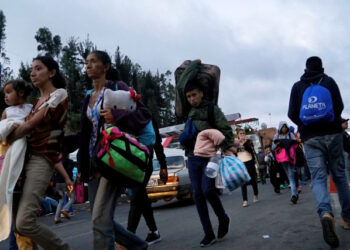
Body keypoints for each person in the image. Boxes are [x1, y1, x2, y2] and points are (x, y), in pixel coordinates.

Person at [69, 50, 150, 249]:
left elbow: (144, 115)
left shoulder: (117, 88)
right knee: (98, 217)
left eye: (94, 61)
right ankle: (137, 245)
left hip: (113, 158)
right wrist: (80, 166)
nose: (88, 65)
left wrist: (116, 115)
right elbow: (85, 134)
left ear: (105, 66)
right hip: (94, 161)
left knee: (100, 218)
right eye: (86, 62)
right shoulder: (88, 96)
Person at [7, 56, 70, 249]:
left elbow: (30, 125)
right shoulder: (34, 103)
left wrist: (7, 136)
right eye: (31, 69)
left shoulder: (59, 94)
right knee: (19, 225)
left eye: (39, 68)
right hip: (24, 160)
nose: (33, 73)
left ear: (52, 72)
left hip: (42, 159)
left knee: (24, 221)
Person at [288, 56, 350, 248]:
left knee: (318, 178)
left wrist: (306, 125)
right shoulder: (329, 81)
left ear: (305, 68)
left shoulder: (297, 86)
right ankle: (347, 218)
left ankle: (325, 213)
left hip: (310, 138)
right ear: (321, 67)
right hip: (333, 134)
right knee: (339, 176)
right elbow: (339, 106)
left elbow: (291, 113)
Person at [180, 76, 231, 247]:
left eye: (194, 94)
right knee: (198, 195)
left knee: (208, 190)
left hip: (210, 157)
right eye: (188, 96)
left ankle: (223, 217)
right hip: (192, 157)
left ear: (202, 93)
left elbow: (226, 130)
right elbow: (180, 86)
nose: (191, 99)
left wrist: (222, 148)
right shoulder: (188, 111)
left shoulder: (212, 109)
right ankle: (208, 233)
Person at [127, 117, 168, 245]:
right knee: (142, 199)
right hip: (131, 164)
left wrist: (163, 166)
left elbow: (156, 141)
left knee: (136, 198)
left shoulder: (146, 116)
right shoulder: (123, 115)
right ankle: (154, 232)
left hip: (144, 163)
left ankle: (129, 237)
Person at [273, 121, 299, 204]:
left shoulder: (290, 134)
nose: (284, 128)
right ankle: (295, 192)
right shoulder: (277, 136)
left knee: (291, 175)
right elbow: (273, 147)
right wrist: (278, 144)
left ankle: (294, 195)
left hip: (290, 157)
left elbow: (296, 144)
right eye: (282, 127)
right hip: (282, 158)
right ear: (280, 127)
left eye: (285, 127)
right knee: (289, 175)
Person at [236, 129, 259, 207]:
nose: (242, 135)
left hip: (249, 162)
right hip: (241, 164)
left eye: (243, 133)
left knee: (252, 180)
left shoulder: (249, 141)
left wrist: (244, 143)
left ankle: (255, 194)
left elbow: (250, 150)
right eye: (240, 133)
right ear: (238, 135)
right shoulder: (236, 143)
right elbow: (234, 153)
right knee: (243, 182)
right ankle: (245, 200)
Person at [54, 156, 76, 224]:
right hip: (67, 183)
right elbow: (70, 171)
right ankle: (65, 209)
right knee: (73, 197)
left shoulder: (57, 161)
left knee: (61, 201)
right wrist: (72, 180)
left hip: (58, 183)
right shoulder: (69, 161)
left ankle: (56, 218)